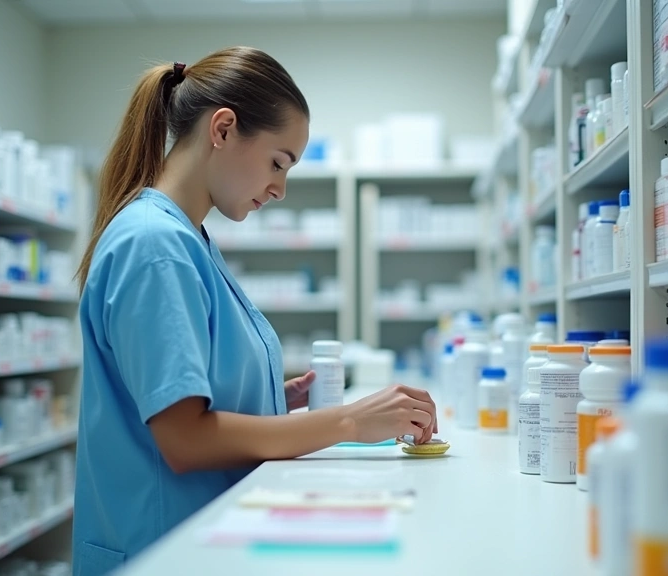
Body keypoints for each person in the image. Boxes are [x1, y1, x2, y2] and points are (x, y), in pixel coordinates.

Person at [72, 46, 439, 574]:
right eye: (277, 162)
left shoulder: (188, 238)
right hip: (159, 547)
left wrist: (271, 395)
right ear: (222, 130)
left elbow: (179, 393)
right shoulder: (154, 244)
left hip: (199, 537)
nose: (279, 188)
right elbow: (184, 439)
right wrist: (349, 421)